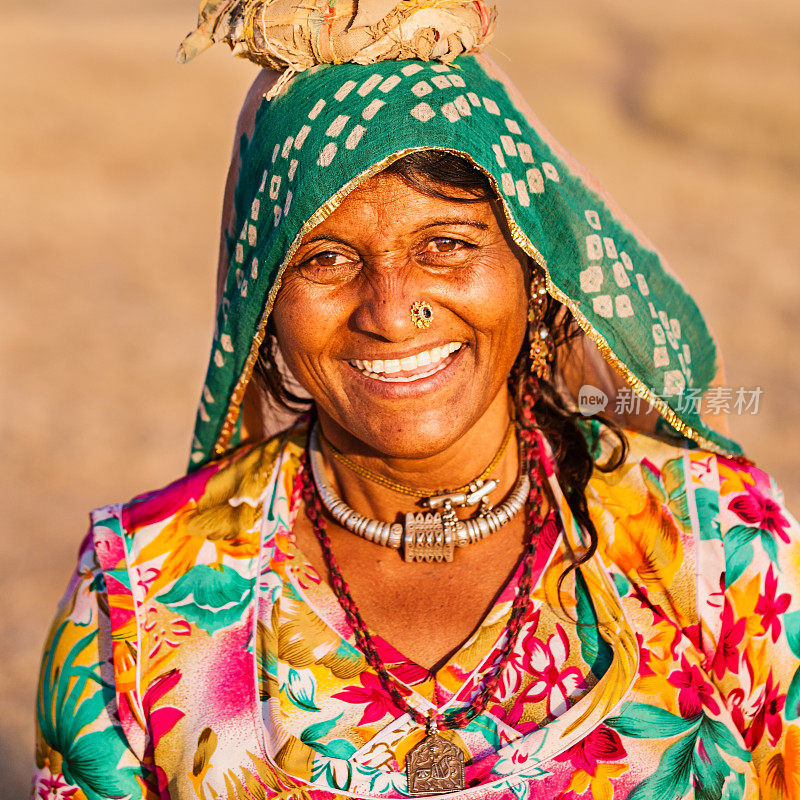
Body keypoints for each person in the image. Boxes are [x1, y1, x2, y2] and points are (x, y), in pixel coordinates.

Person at [32, 3, 799, 799]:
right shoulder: (135, 601)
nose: (391, 311)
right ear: (265, 298)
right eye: (325, 257)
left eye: (447, 245)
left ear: (534, 272)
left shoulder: (723, 552)